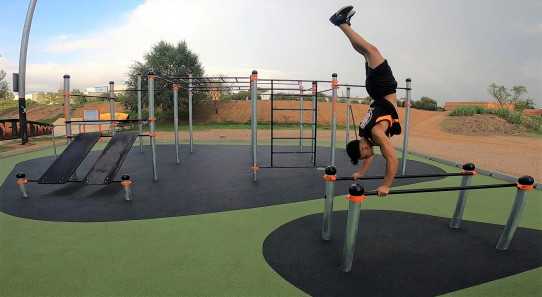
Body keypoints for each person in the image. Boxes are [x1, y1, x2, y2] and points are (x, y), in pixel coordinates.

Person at [330, 5, 402, 197]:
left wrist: (386, 185)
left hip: (383, 89)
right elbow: (369, 155)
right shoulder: (365, 134)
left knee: (371, 50)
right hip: (376, 91)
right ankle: (345, 25)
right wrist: (360, 173)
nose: (369, 155)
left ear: (363, 146)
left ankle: (341, 23)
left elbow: (393, 159)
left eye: (365, 154)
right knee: (366, 52)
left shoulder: (376, 134)